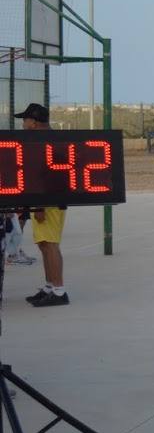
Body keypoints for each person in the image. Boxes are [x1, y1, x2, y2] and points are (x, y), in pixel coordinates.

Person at [14, 104, 69, 307]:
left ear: (34, 122)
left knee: (51, 244)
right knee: (44, 244)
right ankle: (49, 287)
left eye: (25, 120)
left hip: (50, 202)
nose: (23, 124)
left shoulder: (47, 142)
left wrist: (41, 206)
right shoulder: (44, 140)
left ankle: (59, 291)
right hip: (44, 200)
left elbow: (49, 176)